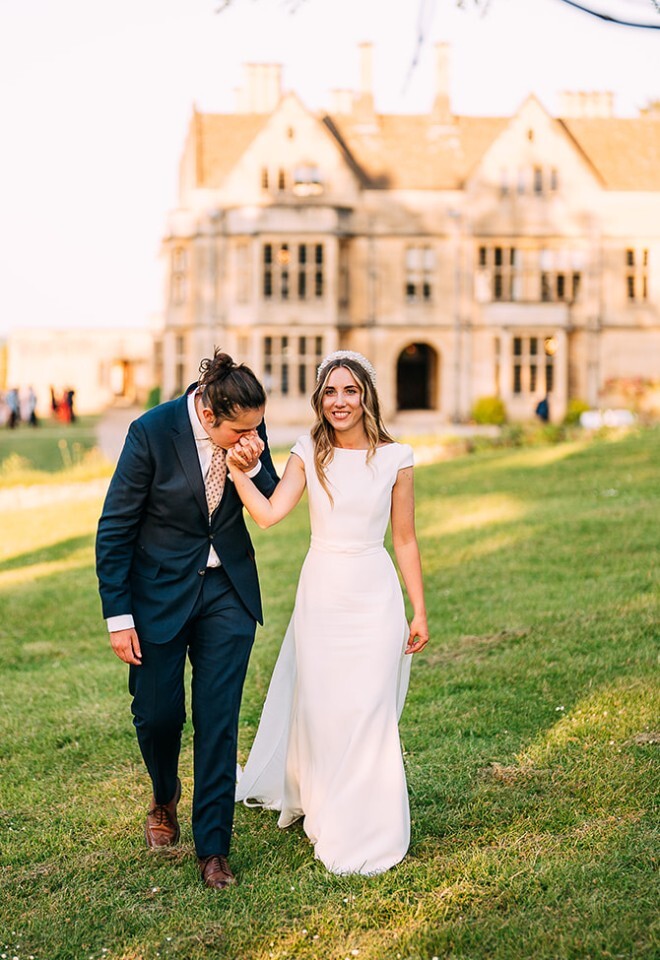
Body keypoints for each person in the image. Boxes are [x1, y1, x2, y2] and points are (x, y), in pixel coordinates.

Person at [228, 350, 429, 875]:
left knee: (369, 707)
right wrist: (239, 476)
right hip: (322, 594)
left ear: (366, 397)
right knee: (323, 707)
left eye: (351, 391)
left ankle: (371, 821)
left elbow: (404, 540)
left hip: (375, 595)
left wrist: (419, 609)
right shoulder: (305, 453)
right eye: (331, 392)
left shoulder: (396, 458)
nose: (340, 402)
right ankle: (325, 804)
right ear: (320, 400)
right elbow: (271, 515)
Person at [95, 349, 279, 891]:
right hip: (157, 595)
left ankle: (214, 849)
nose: (251, 433)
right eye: (240, 430)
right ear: (208, 415)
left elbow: (266, 495)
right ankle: (163, 794)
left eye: (256, 425)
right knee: (157, 715)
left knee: (218, 720)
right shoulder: (151, 432)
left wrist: (252, 461)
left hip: (227, 590)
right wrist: (118, 615)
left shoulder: (246, 422)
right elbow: (115, 527)